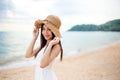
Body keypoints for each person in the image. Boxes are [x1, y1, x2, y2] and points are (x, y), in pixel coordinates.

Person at [25, 15, 63, 80]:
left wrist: (50, 44)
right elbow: (28, 55)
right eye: (43, 29)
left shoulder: (57, 47)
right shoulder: (43, 45)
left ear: (54, 31)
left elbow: (42, 64)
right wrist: (34, 37)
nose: (45, 32)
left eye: (49, 29)